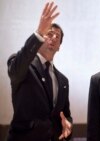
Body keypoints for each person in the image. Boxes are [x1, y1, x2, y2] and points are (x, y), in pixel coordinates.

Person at [7, 2, 72, 141]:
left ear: (59, 47)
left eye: (57, 36)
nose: (54, 37)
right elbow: (15, 71)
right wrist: (38, 33)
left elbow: (65, 114)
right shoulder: (22, 64)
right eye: (50, 34)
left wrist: (68, 123)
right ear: (41, 38)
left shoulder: (63, 81)